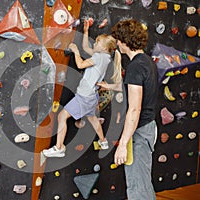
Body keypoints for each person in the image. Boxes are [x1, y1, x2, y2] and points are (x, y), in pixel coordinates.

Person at [42, 19, 122, 158]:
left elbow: (80, 64)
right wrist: (86, 32)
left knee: (62, 117)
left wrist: (75, 51)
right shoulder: (105, 57)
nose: (94, 43)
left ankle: (59, 147)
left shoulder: (98, 57)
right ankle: (103, 141)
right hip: (91, 96)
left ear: (103, 48)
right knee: (92, 118)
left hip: (84, 97)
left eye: (97, 42)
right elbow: (87, 48)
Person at [104, 19, 158, 199]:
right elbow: (138, 89)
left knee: (138, 189)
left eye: (119, 40)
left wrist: (123, 145)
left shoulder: (135, 67)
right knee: (142, 183)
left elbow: (134, 109)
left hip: (139, 133)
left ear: (126, 42)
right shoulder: (146, 62)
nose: (118, 44)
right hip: (147, 128)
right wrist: (110, 86)